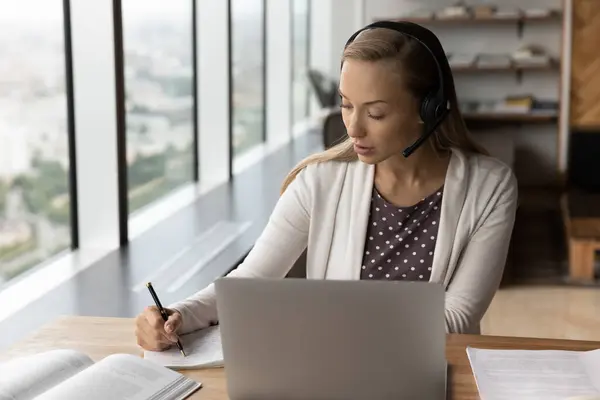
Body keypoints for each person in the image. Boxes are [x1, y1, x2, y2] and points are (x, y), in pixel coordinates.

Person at [135, 21, 518, 352]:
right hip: (332, 371)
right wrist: (180, 316)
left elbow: (457, 316)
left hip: (431, 371)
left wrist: (316, 324)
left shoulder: (489, 187)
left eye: (376, 112)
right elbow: (249, 282)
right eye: (346, 105)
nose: (353, 128)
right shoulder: (319, 182)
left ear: (430, 110)